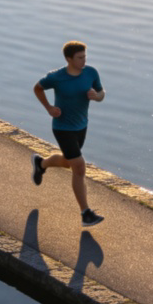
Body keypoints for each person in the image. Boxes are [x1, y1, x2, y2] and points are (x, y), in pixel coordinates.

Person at [31, 40, 106, 226]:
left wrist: (97, 97)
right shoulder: (57, 77)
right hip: (62, 128)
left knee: (68, 162)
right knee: (79, 167)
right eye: (80, 58)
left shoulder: (91, 72)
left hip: (81, 126)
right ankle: (86, 213)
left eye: (85, 57)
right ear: (68, 59)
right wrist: (48, 107)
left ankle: (41, 164)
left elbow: (101, 92)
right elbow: (38, 88)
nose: (83, 61)